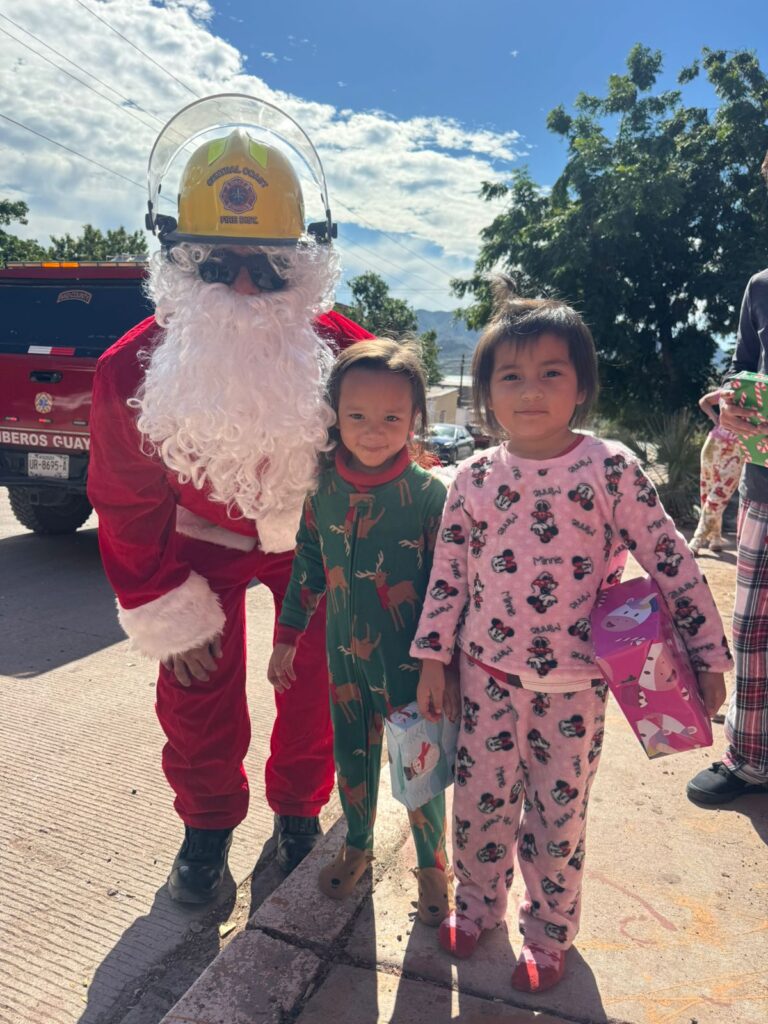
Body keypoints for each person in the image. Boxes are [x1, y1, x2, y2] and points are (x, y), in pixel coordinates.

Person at [87, 96, 372, 903]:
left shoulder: (351, 355)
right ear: (182, 259)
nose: (246, 285)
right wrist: (160, 605)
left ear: (304, 262)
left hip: (309, 545)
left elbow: (378, 466)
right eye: (218, 264)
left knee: (319, 680)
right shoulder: (129, 370)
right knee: (194, 681)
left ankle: (298, 816)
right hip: (192, 545)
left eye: (271, 267)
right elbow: (125, 498)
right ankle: (206, 827)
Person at [411, 280, 732, 993]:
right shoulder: (472, 478)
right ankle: (476, 906)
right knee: (478, 806)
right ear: (485, 392)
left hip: (578, 690)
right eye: (511, 376)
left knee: (558, 819)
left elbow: (671, 558)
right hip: (486, 677)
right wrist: (434, 657)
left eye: (550, 373)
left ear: (581, 384)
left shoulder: (610, 468)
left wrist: (708, 654)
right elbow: (449, 577)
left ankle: (548, 935)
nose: (530, 391)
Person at [267, 339, 453, 926]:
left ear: (415, 419)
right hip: (342, 660)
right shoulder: (322, 490)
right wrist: (287, 636)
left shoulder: (429, 498)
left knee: (420, 771)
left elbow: (453, 587)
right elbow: (307, 562)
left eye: (392, 417)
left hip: (412, 668)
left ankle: (432, 868)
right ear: (335, 417)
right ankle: (357, 846)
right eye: (357, 416)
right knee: (353, 757)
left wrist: (436, 663)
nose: (374, 430)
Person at [687, 151, 768, 805]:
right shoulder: (759, 289)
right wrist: (730, 404)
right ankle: (750, 760)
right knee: (752, 628)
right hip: (764, 485)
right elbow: (744, 372)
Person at [689, 389, 744, 556]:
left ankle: (697, 540)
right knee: (707, 493)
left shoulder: (759, 393)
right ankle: (715, 538)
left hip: (738, 450)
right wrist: (715, 418)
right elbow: (703, 401)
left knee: (718, 496)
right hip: (713, 445)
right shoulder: (732, 388)